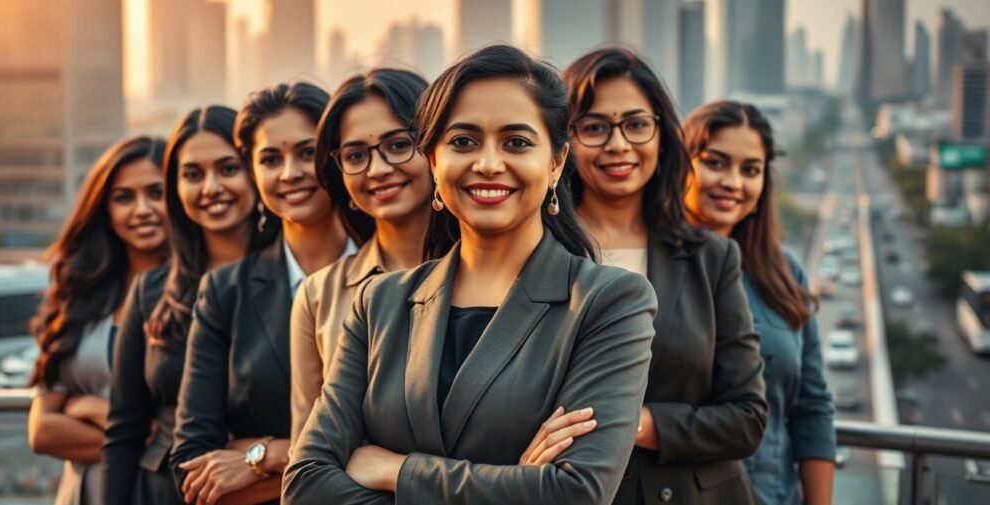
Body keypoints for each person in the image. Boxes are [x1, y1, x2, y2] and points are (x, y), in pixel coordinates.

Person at [283, 44, 657, 504]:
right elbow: (304, 485)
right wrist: (513, 483)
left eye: (516, 142)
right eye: (463, 142)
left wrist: (398, 470)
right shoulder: (378, 303)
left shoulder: (608, 302)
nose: (488, 163)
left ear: (557, 162)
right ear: (434, 160)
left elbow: (575, 494)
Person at [562, 48, 767, 505]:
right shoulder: (535, 254)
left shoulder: (711, 258)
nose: (618, 145)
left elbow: (748, 417)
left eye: (636, 124)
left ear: (660, 135)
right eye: (594, 127)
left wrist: (635, 424)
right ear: (564, 143)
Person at [171, 82, 353, 505]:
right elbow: (191, 464)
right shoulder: (224, 292)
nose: (289, 173)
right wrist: (346, 466)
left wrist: (262, 455)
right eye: (271, 159)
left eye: (307, 153)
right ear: (253, 172)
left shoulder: (395, 274)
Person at [103, 106, 275, 504]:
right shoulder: (151, 291)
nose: (210, 187)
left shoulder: (295, 278)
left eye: (228, 169)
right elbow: (124, 430)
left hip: (268, 488)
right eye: (192, 175)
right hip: (163, 490)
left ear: (253, 171)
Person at [683, 101, 835, 505]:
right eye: (715, 162)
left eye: (750, 170)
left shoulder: (787, 275)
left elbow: (812, 406)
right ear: (680, 166)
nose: (733, 182)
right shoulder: (651, 269)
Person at [290, 68, 431, 441]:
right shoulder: (317, 296)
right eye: (356, 155)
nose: (379, 169)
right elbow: (307, 456)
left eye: (399, 145)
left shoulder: (498, 273)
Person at [28, 136, 168, 505]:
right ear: (104, 208)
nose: (142, 209)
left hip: (161, 493)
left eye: (157, 192)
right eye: (124, 197)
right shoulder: (83, 295)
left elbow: (173, 440)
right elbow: (42, 431)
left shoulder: (202, 291)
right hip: (83, 494)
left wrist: (83, 407)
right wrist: (120, 422)